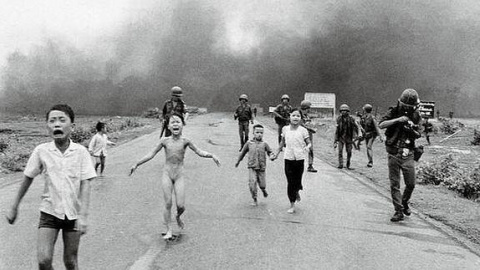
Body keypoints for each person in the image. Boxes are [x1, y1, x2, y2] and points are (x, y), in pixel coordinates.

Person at [6, 104, 96, 270]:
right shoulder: (41, 151)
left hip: (73, 214)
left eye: (62, 120)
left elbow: (86, 183)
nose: (57, 124)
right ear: (47, 126)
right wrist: (14, 206)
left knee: (70, 261)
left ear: (72, 126)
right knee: (44, 260)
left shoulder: (81, 152)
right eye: (52, 121)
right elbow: (27, 178)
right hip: (49, 212)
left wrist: (83, 216)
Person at [130, 113, 220, 239]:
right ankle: (168, 229)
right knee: (168, 203)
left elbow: (199, 151)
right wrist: (136, 164)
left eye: (178, 121)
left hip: (179, 175)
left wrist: (212, 155)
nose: (175, 124)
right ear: (169, 126)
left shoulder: (186, 141)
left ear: (182, 125)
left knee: (181, 206)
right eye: (173, 122)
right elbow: (151, 154)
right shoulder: (164, 141)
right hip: (167, 174)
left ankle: (178, 216)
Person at [379, 88, 422, 222]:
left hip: (408, 153)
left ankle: (404, 202)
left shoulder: (416, 115)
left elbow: (420, 132)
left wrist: (411, 129)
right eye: (405, 106)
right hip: (393, 152)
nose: (407, 109)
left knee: (411, 184)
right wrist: (398, 120)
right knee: (394, 184)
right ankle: (398, 211)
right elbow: (381, 124)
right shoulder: (393, 111)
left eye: (410, 107)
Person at [272, 108, 312, 214]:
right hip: (288, 158)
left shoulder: (303, 130)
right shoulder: (285, 129)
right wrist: (276, 154)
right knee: (290, 182)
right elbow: (281, 143)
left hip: (299, 159)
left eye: (298, 116)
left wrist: (307, 147)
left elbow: (309, 142)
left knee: (297, 181)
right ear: (290, 117)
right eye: (293, 115)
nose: (295, 118)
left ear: (300, 118)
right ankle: (292, 204)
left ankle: (297, 190)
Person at [235, 124, 274, 206]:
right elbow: (242, 153)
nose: (259, 134)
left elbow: (270, 152)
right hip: (252, 167)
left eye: (261, 133)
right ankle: (255, 199)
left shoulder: (264, 144)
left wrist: (271, 156)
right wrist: (238, 161)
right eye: (257, 132)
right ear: (253, 133)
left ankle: (263, 190)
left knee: (262, 184)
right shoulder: (249, 143)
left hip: (261, 167)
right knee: (252, 183)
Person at [334, 104, 361, 169]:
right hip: (341, 137)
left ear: (347, 111)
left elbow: (356, 127)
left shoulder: (351, 119)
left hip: (349, 137)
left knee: (349, 152)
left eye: (345, 110)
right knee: (340, 151)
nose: (343, 112)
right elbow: (337, 130)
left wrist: (358, 135)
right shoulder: (339, 119)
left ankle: (348, 164)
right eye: (342, 111)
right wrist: (335, 140)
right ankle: (341, 164)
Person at [300, 100, 318, 172]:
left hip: (309, 136)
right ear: (306, 108)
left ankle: (310, 165)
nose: (309, 109)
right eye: (308, 108)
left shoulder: (307, 116)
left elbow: (309, 124)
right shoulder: (299, 116)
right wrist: (310, 128)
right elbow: (301, 125)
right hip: (301, 136)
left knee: (311, 150)